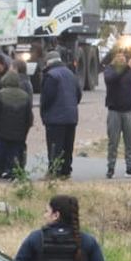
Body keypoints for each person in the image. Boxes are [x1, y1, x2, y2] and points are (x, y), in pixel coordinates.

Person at [15, 194, 106, 261]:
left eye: (46, 211)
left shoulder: (36, 238)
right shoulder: (87, 240)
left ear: (56, 215)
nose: (44, 215)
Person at [103, 48, 131, 178]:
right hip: (114, 111)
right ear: (114, 58)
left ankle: (130, 167)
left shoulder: (130, 72)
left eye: (123, 56)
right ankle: (111, 168)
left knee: (129, 141)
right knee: (113, 142)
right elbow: (112, 79)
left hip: (128, 111)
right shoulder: (109, 70)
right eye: (119, 56)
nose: (121, 58)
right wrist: (126, 67)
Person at [39, 50, 82, 179]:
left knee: (54, 146)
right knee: (67, 146)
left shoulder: (51, 75)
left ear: (47, 62)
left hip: (55, 118)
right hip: (71, 116)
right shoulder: (71, 74)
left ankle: (54, 171)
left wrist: (44, 112)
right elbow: (78, 94)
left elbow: (47, 98)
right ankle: (66, 171)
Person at [0, 70, 34, 178]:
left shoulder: (1, 94)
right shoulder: (25, 96)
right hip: (19, 132)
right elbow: (28, 116)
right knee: (15, 152)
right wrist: (26, 128)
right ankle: (14, 172)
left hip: (2, 130)